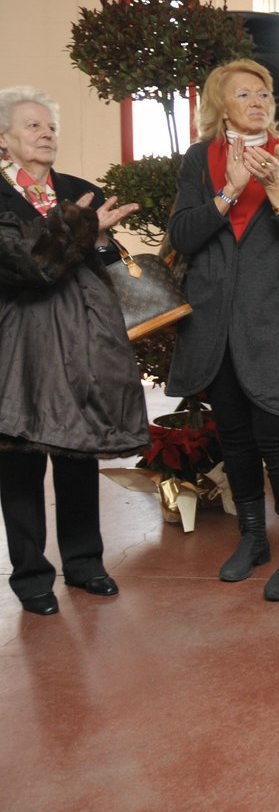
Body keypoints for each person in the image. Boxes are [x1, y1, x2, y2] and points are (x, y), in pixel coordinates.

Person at [167, 60, 279, 602]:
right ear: (221, 106)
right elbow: (184, 236)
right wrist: (229, 192)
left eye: (264, 94)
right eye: (244, 94)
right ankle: (253, 538)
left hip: (276, 323)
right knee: (233, 436)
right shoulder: (200, 160)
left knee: (278, 437)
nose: (258, 102)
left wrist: (276, 189)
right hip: (214, 325)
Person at [0, 86, 144, 615]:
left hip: (82, 344)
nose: (46, 135)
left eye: (51, 126)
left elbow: (104, 267)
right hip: (16, 350)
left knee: (79, 453)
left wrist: (100, 241)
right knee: (20, 461)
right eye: (33, 126)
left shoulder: (81, 191)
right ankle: (32, 576)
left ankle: (85, 564)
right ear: (4, 140)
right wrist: (83, 231)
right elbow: (27, 266)